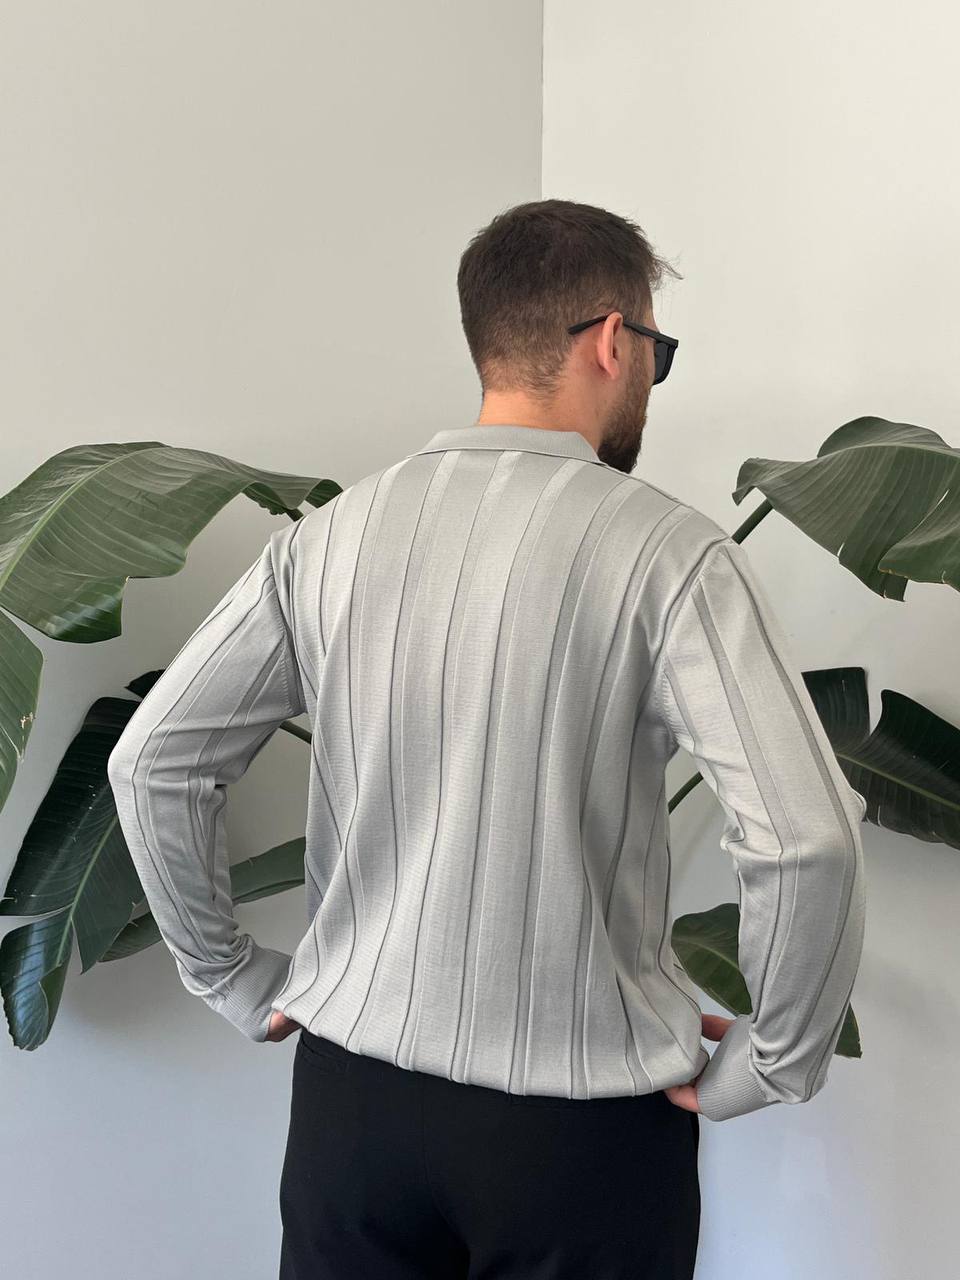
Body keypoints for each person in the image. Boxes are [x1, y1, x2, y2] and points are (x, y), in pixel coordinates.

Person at [107, 198, 867, 1279]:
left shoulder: (331, 537)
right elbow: (808, 839)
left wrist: (228, 975)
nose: (650, 378)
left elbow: (153, 761)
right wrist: (776, 1057)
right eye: (656, 353)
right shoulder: (667, 553)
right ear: (613, 340)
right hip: (579, 1136)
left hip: (352, 1113)